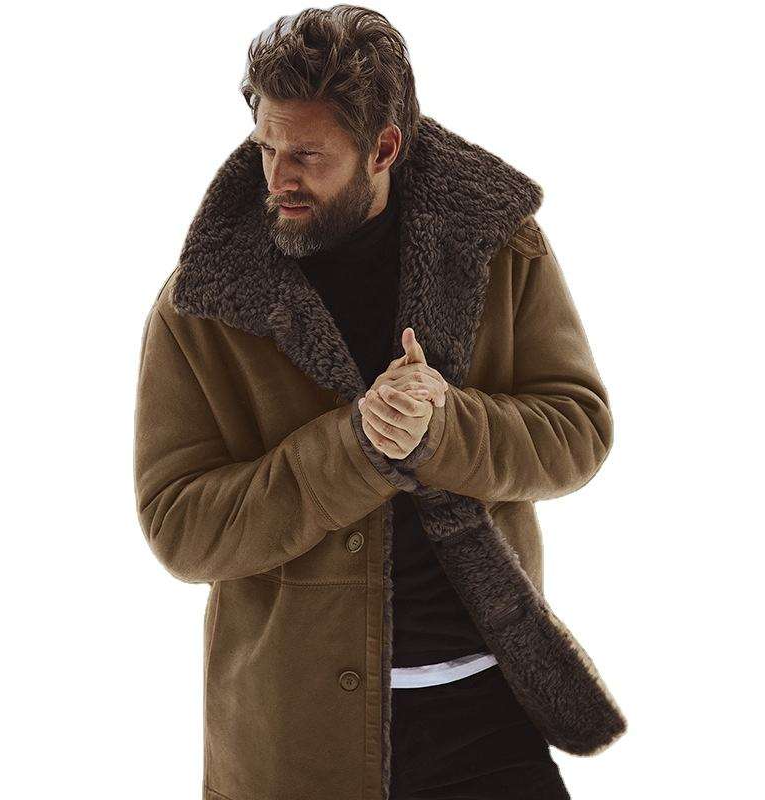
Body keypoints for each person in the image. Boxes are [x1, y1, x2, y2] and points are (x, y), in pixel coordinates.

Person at [134, 6, 616, 799]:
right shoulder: (203, 305)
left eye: (308, 155)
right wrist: (353, 452)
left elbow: (578, 430)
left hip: (489, 714)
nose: (277, 177)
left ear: (384, 148)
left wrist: (446, 427)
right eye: (266, 147)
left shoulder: (499, 246)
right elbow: (180, 527)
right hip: (295, 744)